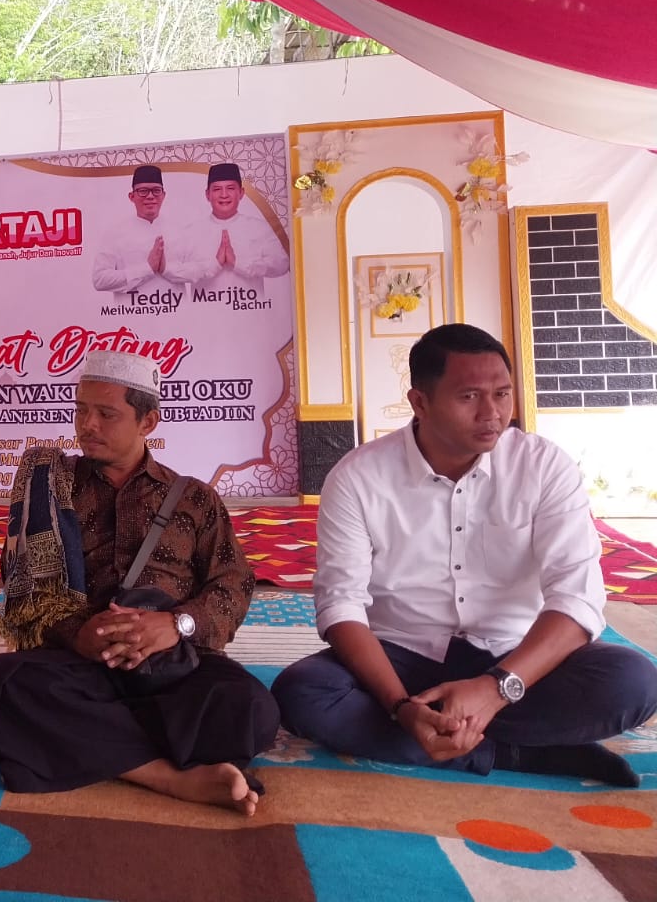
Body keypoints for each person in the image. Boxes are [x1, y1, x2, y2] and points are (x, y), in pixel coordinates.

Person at [273, 323, 657, 786]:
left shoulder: (543, 467)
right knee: (303, 692)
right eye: (469, 396)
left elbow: (576, 597)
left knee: (635, 680)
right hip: (403, 658)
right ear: (420, 403)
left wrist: (495, 689)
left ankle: (444, 739)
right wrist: (400, 707)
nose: (492, 413)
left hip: (516, 656)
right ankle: (521, 752)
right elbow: (341, 604)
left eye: (502, 394)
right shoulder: (358, 477)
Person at [0, 349, 276, 815]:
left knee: (251, 708)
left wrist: (176, 625)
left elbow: (233, 584)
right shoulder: (52, 487)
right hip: (81, 665)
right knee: (0, 683)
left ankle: (99, 741)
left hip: (173, 663)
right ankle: (172, 777)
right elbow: (24, 589)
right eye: (81, 410)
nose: (87, 425)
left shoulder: (195, 498)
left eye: (106, 414)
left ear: (147, 422)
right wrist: (79, 635)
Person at [167, 163, 289, 297]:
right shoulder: (190, 232)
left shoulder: (259, 227)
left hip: (248, 307)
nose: (224, 195)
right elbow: (171, 271)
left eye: (230, 188)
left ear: (241, 193)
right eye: (217, 189)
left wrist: (239, 263)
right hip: (203, 308)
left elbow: (282, 264)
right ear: (208, 194)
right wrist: (213, 265)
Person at [92, 165, 176, 302]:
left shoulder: (179, 230)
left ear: (163, 195)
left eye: (156, 191)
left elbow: (198, 270)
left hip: (176, 311)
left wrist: (166, 269)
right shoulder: (115, 234)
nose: (150, 196)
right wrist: (146, 269)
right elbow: (100, 279)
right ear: (132, 196)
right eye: (143, 191)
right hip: (131, 313)